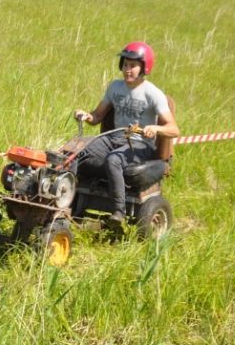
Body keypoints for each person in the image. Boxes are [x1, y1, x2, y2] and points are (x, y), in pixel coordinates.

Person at [73, 42, 179, 225]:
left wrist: (155, 128)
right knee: (76, 150)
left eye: (133, 66)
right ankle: (66, 199)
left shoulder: (153, 94)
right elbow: (97, 116)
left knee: (114, 160)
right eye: (125, 65)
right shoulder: (115, 87)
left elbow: (174, 130)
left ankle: (118, 212)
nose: (127, 70)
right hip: (113, 138)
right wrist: (86, 115)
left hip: (140, 145)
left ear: (144, 68)